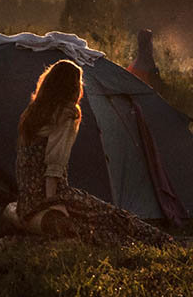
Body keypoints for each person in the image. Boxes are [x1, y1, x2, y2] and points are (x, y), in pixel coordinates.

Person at [15, 59, 173, 246]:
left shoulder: (32, 113)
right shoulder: (67, 113)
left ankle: (149, 244)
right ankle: (169, 242)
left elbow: (22, 162)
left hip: (27, 201)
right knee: (115, 217)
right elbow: (54, 163)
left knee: (90, 231)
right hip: (53, 195)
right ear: (72, 87)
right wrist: (53, 203)